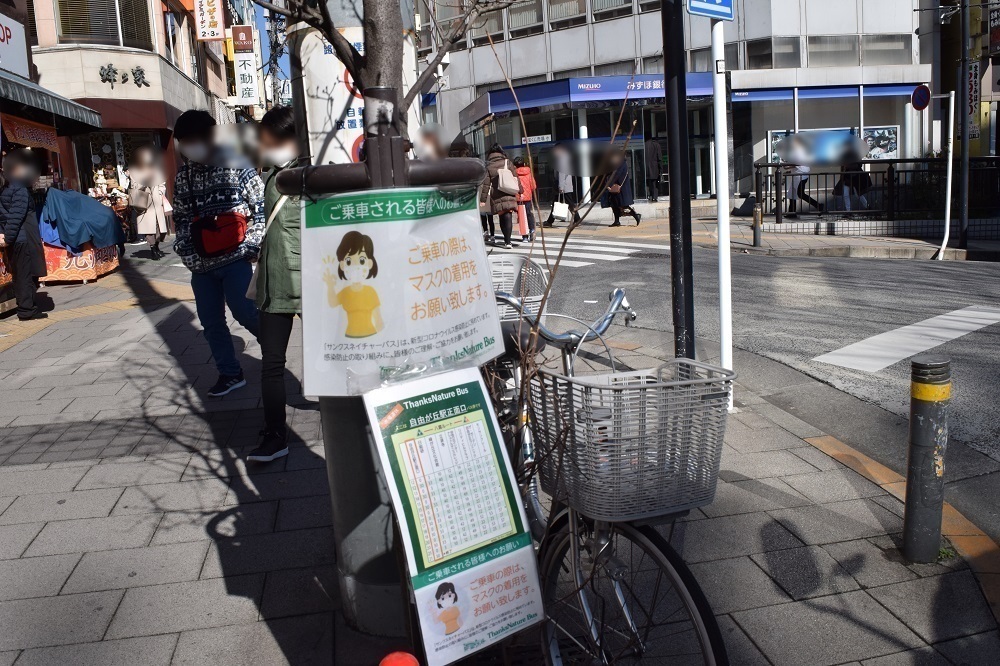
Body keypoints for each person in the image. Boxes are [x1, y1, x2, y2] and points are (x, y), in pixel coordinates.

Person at [172, 109, 264, 397]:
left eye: (194, 140)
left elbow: (261, 208)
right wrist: (186, 252)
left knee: (245, 311)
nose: (190, 147)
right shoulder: (184, 175)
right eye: (184, 142)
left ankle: (273, 348)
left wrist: (251, 245)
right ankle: (230, 373)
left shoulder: (238, 164)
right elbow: (182, 217)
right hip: (201, 265)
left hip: (236, 258)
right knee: (211, 322)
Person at [248, 105, 302, 462]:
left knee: (338, 353)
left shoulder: (311, 171)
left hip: (311, 279)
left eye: (267, 137)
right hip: (275, 279)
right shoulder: (272, 173)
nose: (262, 144)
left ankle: (359, 418)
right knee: (271, 362)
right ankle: (276, 433)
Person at [0, 150, 46, 321]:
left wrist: (4, 235)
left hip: (12, 238)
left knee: (20, 274)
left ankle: (25, 306)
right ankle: (27, 310)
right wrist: (9, 237)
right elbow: (16, 216)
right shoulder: (17, 187)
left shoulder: (4, 186)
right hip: (21, 238)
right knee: (25, 275)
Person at [127, 145, 170, 259]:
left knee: (159, 229)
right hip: (144, 204)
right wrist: (144, 181)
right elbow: (134, 187)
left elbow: (162, 184)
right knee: (149, 229)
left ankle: (156, 246)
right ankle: (153, 249)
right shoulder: (134, 171)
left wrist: (160, 193)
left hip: (156, 203)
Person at [479, 144, 521, 249]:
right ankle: (508, 241)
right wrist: (521, 190)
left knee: (502, 216)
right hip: (509, 192)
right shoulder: (508, 162)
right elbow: (516, 178)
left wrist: (482, 200)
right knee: (508, 216)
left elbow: (486, 184)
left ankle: (506, 241)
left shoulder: (488, 166)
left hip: (497, 195)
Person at [601, 150, 641, 227]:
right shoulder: (616, 163)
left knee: (624, 205)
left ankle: (636, 215)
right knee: (614, 204)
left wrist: (609, 184)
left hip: (620, 188)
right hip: (615, 188)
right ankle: (617, 221)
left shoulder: (621, 163)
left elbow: (616, 175)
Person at [545, 142, 580, 227]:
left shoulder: (562, 158)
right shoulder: (565, 157)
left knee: (570, 204)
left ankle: (577, 219)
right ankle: (550, 221)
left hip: (564, 186)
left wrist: (561, 186)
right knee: (556, 203)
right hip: (564, 185)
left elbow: (562, 173)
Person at [514, 155, 537, 242]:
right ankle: (532, 230)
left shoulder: (514, 175)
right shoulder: (529, 173)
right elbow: (533, 186)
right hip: (527, 198)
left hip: (518, 198)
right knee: (528, 214)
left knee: (521, 216)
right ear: (523, 164)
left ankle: (524, 236)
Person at [644, 136, 663, 202]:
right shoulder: (656, 145)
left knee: (647, 183)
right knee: (654, 184)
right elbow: (659, 158)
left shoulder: (644, 145)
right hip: (655, 168)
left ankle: (648, 195)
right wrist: (661, 169)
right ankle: (654, 197)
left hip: (645, 167)